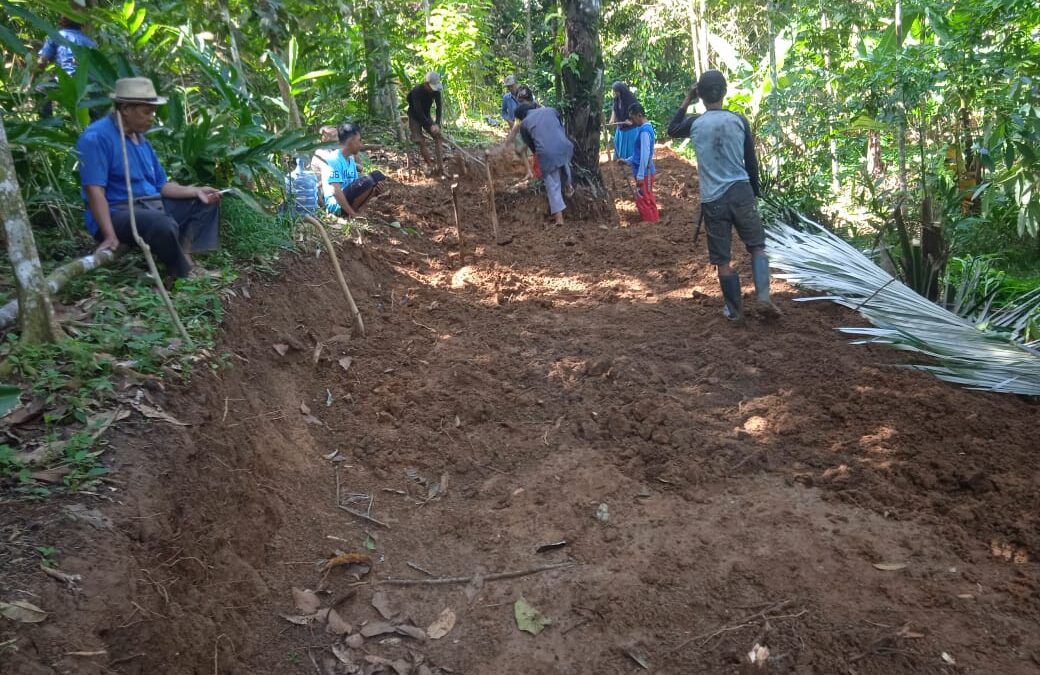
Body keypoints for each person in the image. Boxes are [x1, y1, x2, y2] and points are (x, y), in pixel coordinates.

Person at [76, 77, 222, 281]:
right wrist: (110, 235)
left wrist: (195, 191)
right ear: (125, 109)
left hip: (151, 205)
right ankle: (183, 272)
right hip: (118, 212)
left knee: (205, 201)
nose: (152, 117)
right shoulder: (96, 137)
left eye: (153, 111)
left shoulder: (141, 140)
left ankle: (185, 256)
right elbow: (95, 191)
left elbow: (161, 185)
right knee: (161, 224)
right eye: (147, 112)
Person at [667, 70, 779, 320]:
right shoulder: (738, 120)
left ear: (701, 96)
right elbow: (751, 162)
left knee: (723, 260)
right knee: (757, 247)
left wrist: (687, 99)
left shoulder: (695, 123)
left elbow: (672, 129)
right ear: (724, 92)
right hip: (741, 192)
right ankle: (763, 297)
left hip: (713, 199)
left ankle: (734, 310)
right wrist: (755, 193)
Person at [514, 103, 574, 225]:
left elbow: (533, 147)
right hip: (565, 146)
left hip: (547, 153)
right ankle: (568, 185)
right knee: (563, 163)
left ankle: (559, 218)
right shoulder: (551, 110)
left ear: (521, 117)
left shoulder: (524, 124)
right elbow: (560, 127)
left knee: (552, 184)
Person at [34, 14, 96, 118]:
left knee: (40, 87)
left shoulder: (56, 36)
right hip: (87, 84)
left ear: (63, 22)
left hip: (65, 82)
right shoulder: (90, 42)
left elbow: (41, 62)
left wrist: (32, 81)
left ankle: (46, 123)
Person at [321, 122, 387, 217]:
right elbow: (335, 191)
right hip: (336, 205)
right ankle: (351, 213)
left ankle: (354, 212)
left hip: (348, 201)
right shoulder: (334, 159)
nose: (360, 145)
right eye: (359, 141)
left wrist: (373, 192)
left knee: (377, 176)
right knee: (368, 181)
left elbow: (357, 191)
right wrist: (352, 213)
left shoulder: (351, 161)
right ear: (351, 141)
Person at [406, 71, 444, 175]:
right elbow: (418, 111)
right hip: (414, 116)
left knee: (438, 137)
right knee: (421, 141)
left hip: (426, 115)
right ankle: (430, 165)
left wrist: (437, 124)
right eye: (431, 87)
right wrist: (429, 125)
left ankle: (441, 167)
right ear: (426, 84)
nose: (433, 90)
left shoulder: (436, 92)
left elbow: (439, 107)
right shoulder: (417, 91)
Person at [626, 103, 656, 202]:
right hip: (645, 172)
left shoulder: (644, 131)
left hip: (645, 173)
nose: (632, 121)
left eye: (633, 118)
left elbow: (645, 155)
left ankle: (650, 218)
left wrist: (640, 175)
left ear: (639, 115)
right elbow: (640, 152)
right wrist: (628, 161)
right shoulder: (646, 128)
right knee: (646, 198)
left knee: (645, 201)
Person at [609, 81, 640, 164]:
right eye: (614, 91)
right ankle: (620, 160)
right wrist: (612, 119)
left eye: (616, 91)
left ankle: (629, 161)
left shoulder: (631, 99)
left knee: (631, 152)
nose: (615, 93)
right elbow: (614, 110)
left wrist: (631, 121)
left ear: (621, 91)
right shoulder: (616, 99)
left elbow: (637, 112)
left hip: (630, 128)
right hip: (620, 127)